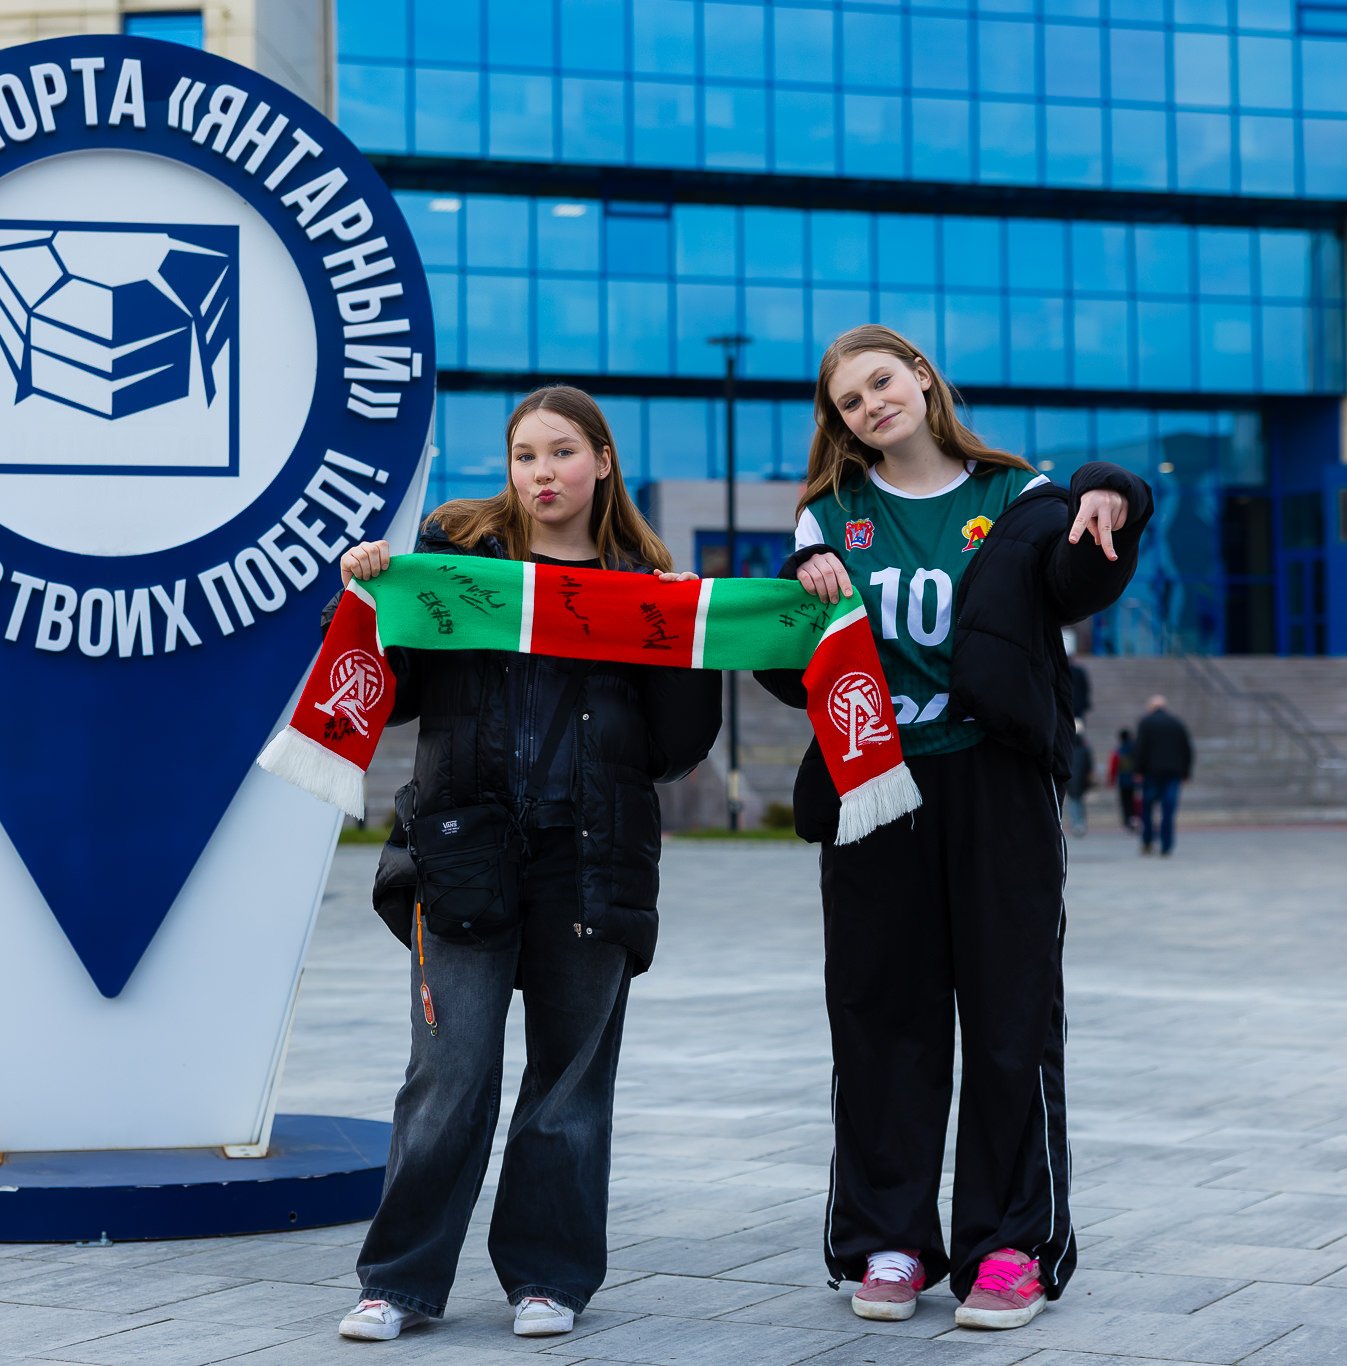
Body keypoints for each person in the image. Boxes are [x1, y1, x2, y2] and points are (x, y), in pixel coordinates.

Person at [759, 325, 1150, 1333]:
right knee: (879, 1019)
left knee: (1010, 1017)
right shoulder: (826, 516)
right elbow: (793, 659)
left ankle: (1010, 1247)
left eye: (882, 381)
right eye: (850, 401)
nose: (871, 406)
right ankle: (888, 1240)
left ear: (923, 377)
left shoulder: (1018, 498)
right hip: (872, 790)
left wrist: (1113, 491)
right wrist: (792, 599)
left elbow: (1079, 578)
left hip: (995, 785)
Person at [332, 386, 722, 1343]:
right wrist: (377, 593)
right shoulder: (459, 557)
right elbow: (399, 696)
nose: (542, 473)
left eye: (562, 452)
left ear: (603, 460)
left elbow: (675, 748)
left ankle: (548, 1277)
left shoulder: (645, 583)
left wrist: (685, 641)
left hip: (591, 862)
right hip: (462, 853)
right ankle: (398, 1282)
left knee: (569, 1087)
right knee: (448, 1074)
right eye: (524, 455)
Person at [1133, 695, 1193, 857]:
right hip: (1173, 773)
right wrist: (1186, 772)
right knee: (1168, 809)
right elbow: (1187, 749)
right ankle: (1166, 845)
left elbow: (1140, 748)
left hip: (1151, 772)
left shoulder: (1146, 722)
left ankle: (1147, 840)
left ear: (1150, 708)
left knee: (1147, 808)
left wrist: (1137, 771)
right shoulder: (1177, 723)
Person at [1064, 720, 1093, 837]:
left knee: (1073, 801)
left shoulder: (1067, 747)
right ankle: (1080, 822)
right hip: (1081, 779)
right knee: (1079, 801)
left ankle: (1076, 823)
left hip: (1070, 778)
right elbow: (1089, 766)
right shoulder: (1084, 749)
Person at [1108, 728, 1139, 833]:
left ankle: (1127, 821)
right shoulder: (1136, 749)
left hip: (1123, 781)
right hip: (1135, 780)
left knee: (1125, 802)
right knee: (1135, 800)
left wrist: (1112, 780)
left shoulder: (1119, 751)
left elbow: (1114, 767)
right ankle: (1136, 819)